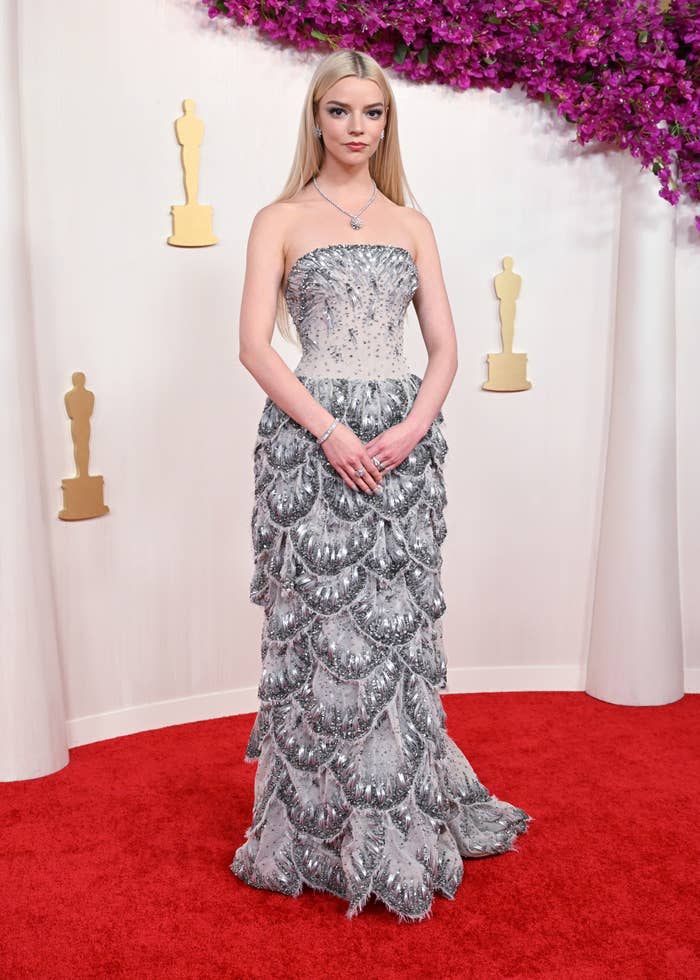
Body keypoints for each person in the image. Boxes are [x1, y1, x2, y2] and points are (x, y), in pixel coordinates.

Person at [231, 48, 532, 922]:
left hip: (402, 447)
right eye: (341, 111)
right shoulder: (277, 219)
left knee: (390, 628)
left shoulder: (412, 225)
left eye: (373, 113)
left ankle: (396, 810)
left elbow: (444, 348)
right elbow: (255, 346)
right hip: (306, 441)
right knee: (318, 627)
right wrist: (329, 432)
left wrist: (408, 428)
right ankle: (314, 827)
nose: (357, 128)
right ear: (316, 118)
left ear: (386, 124)